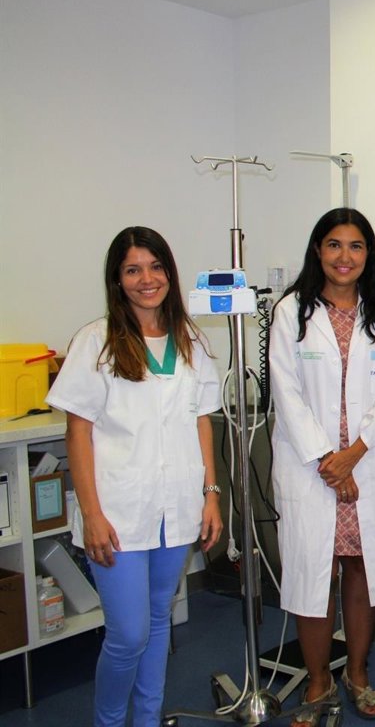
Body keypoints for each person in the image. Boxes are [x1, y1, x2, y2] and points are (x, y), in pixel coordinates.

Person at [46, 226, 223, 727]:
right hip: (118, 511)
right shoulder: (95, 341)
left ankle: (146, 719)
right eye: (133, 269)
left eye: (155, 266)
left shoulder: (191, 340)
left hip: (176, 507)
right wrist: (91, 514)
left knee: (158, 620)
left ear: (169, 272)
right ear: (117, 280)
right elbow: (77, 433)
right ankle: (108, 723)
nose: (147, 279)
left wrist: (211, 495)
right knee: (128, 634)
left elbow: (201, 422)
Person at [270, 208, 375, 725]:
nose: (344, 256)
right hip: (312, 468)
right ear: (318, 250)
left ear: (368, 254)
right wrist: (329, 461)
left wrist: (353, 454)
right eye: (334, 244)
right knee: (313, 571)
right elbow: (286, 393)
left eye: (355, 246)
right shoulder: (291, 313)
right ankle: (318, 680)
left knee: (361, 567)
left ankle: (356, 672)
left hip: (366, 464)